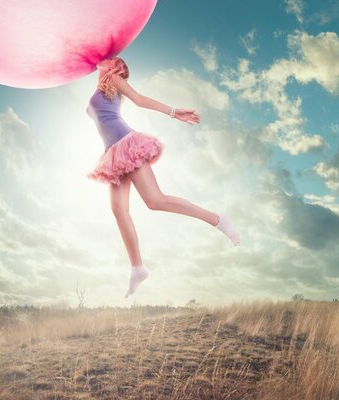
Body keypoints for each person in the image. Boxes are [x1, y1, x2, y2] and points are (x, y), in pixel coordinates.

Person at [86, 57, 241, 298]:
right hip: (112, 153)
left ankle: (218, 220)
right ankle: (137, 268)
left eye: (110, 59)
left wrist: (172, 112)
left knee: (155, 200)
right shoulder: (99, 89)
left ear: (116, 67)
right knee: (119, 210)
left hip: (127, 144)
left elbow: (139, 100)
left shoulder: (114, 79)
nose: (104, 59)